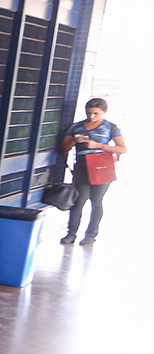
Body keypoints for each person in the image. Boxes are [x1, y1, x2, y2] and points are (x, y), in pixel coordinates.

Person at [58, 98, 128, 246]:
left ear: (104, 112)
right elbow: (63, 148)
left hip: (102, 166)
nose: (92, 117)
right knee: (79, 201)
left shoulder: (110, 128)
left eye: (96, 114)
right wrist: (74, 141)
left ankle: (90, 236)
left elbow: (122, 148)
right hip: (82, 166)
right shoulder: (76, 127)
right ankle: (71, 234)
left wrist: (99, 145)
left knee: (96, 201)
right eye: (89, 113)